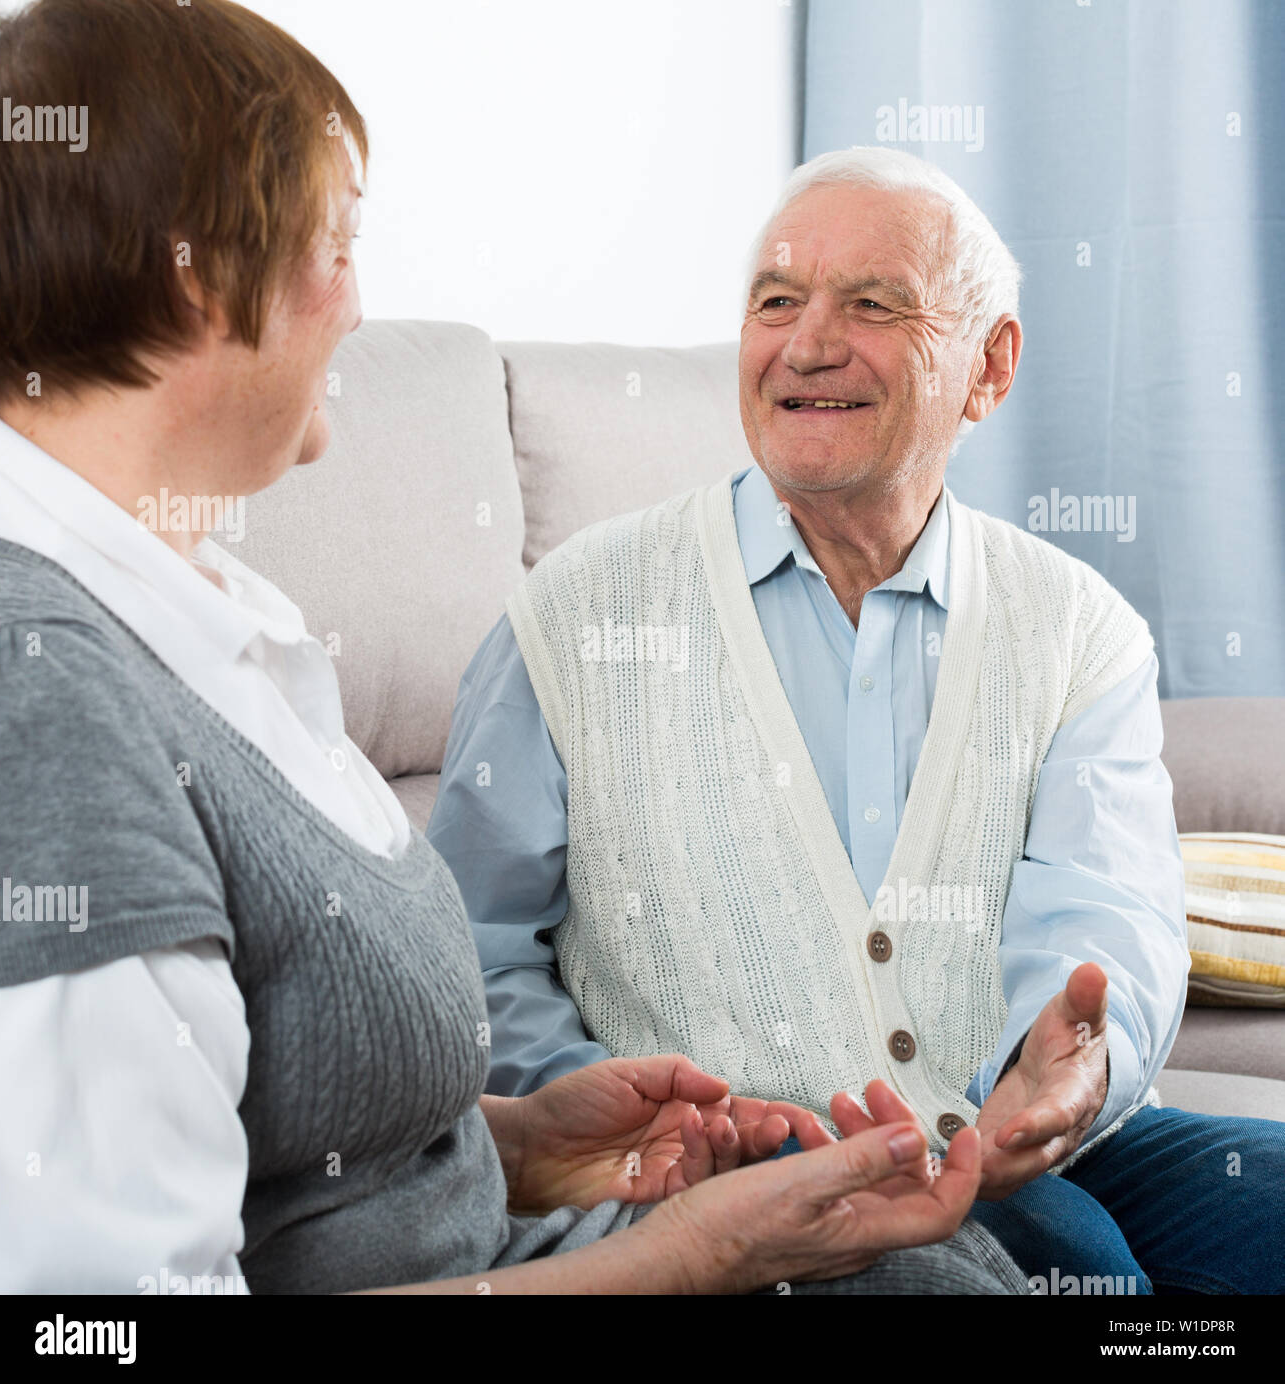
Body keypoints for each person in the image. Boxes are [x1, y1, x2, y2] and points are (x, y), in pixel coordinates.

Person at [0, 0, 1025, 1296]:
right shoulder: (41, 709)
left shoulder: (197, 606)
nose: (358, 308)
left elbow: (294, 1144)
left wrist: (521, 1145)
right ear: (198, 275)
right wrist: (695, 1255)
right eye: (337, 244)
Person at [428, 145, 1285, 1293]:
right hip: (730, 1176)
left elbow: (1106, 915)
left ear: (989, 367)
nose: (807, 342)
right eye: (775, 302)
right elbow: (470, 955)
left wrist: (1072, 1066)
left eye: (872, 305)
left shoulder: (1080, 630)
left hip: (1031, 1145)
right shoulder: (576, 616)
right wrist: (648, 1137)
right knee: (1077, 1270)